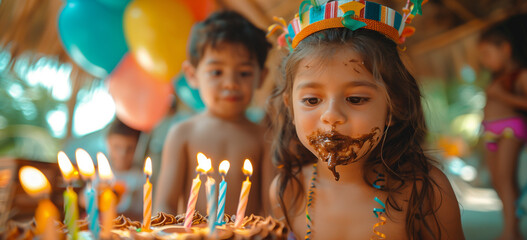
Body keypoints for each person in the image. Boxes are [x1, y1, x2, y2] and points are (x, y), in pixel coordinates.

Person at [266, 1, 465, 239]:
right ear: (290, 108)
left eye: (356, 99)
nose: (331, 116)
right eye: (311, 100)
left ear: (393, 107)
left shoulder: (425, 191)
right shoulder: (287, 190)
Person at [154, 10, 273, 217]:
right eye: (217, 72)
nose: (231, 83)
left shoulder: (265, 137)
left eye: (244, 73)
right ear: (192, 75)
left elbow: (271, 210)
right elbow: (165, 205)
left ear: (261, 77)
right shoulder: (182, 133)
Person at [478, 14, 527, 240]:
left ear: (505, 49)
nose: (484, 61)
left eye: (487, 54)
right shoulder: (497, 78)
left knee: (506, 180)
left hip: (511, 129)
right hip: (490, 130)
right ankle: (510, 225)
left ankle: (511, 231)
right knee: (497, 181)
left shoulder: (521, 75)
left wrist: (502, 96)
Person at [106, 118, 144, 220]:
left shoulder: (140, 178)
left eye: (129, 148)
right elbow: (84, 198)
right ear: (108, 144)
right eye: (117, 147)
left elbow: (144, 213)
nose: (123, 154)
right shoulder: (103, 173)